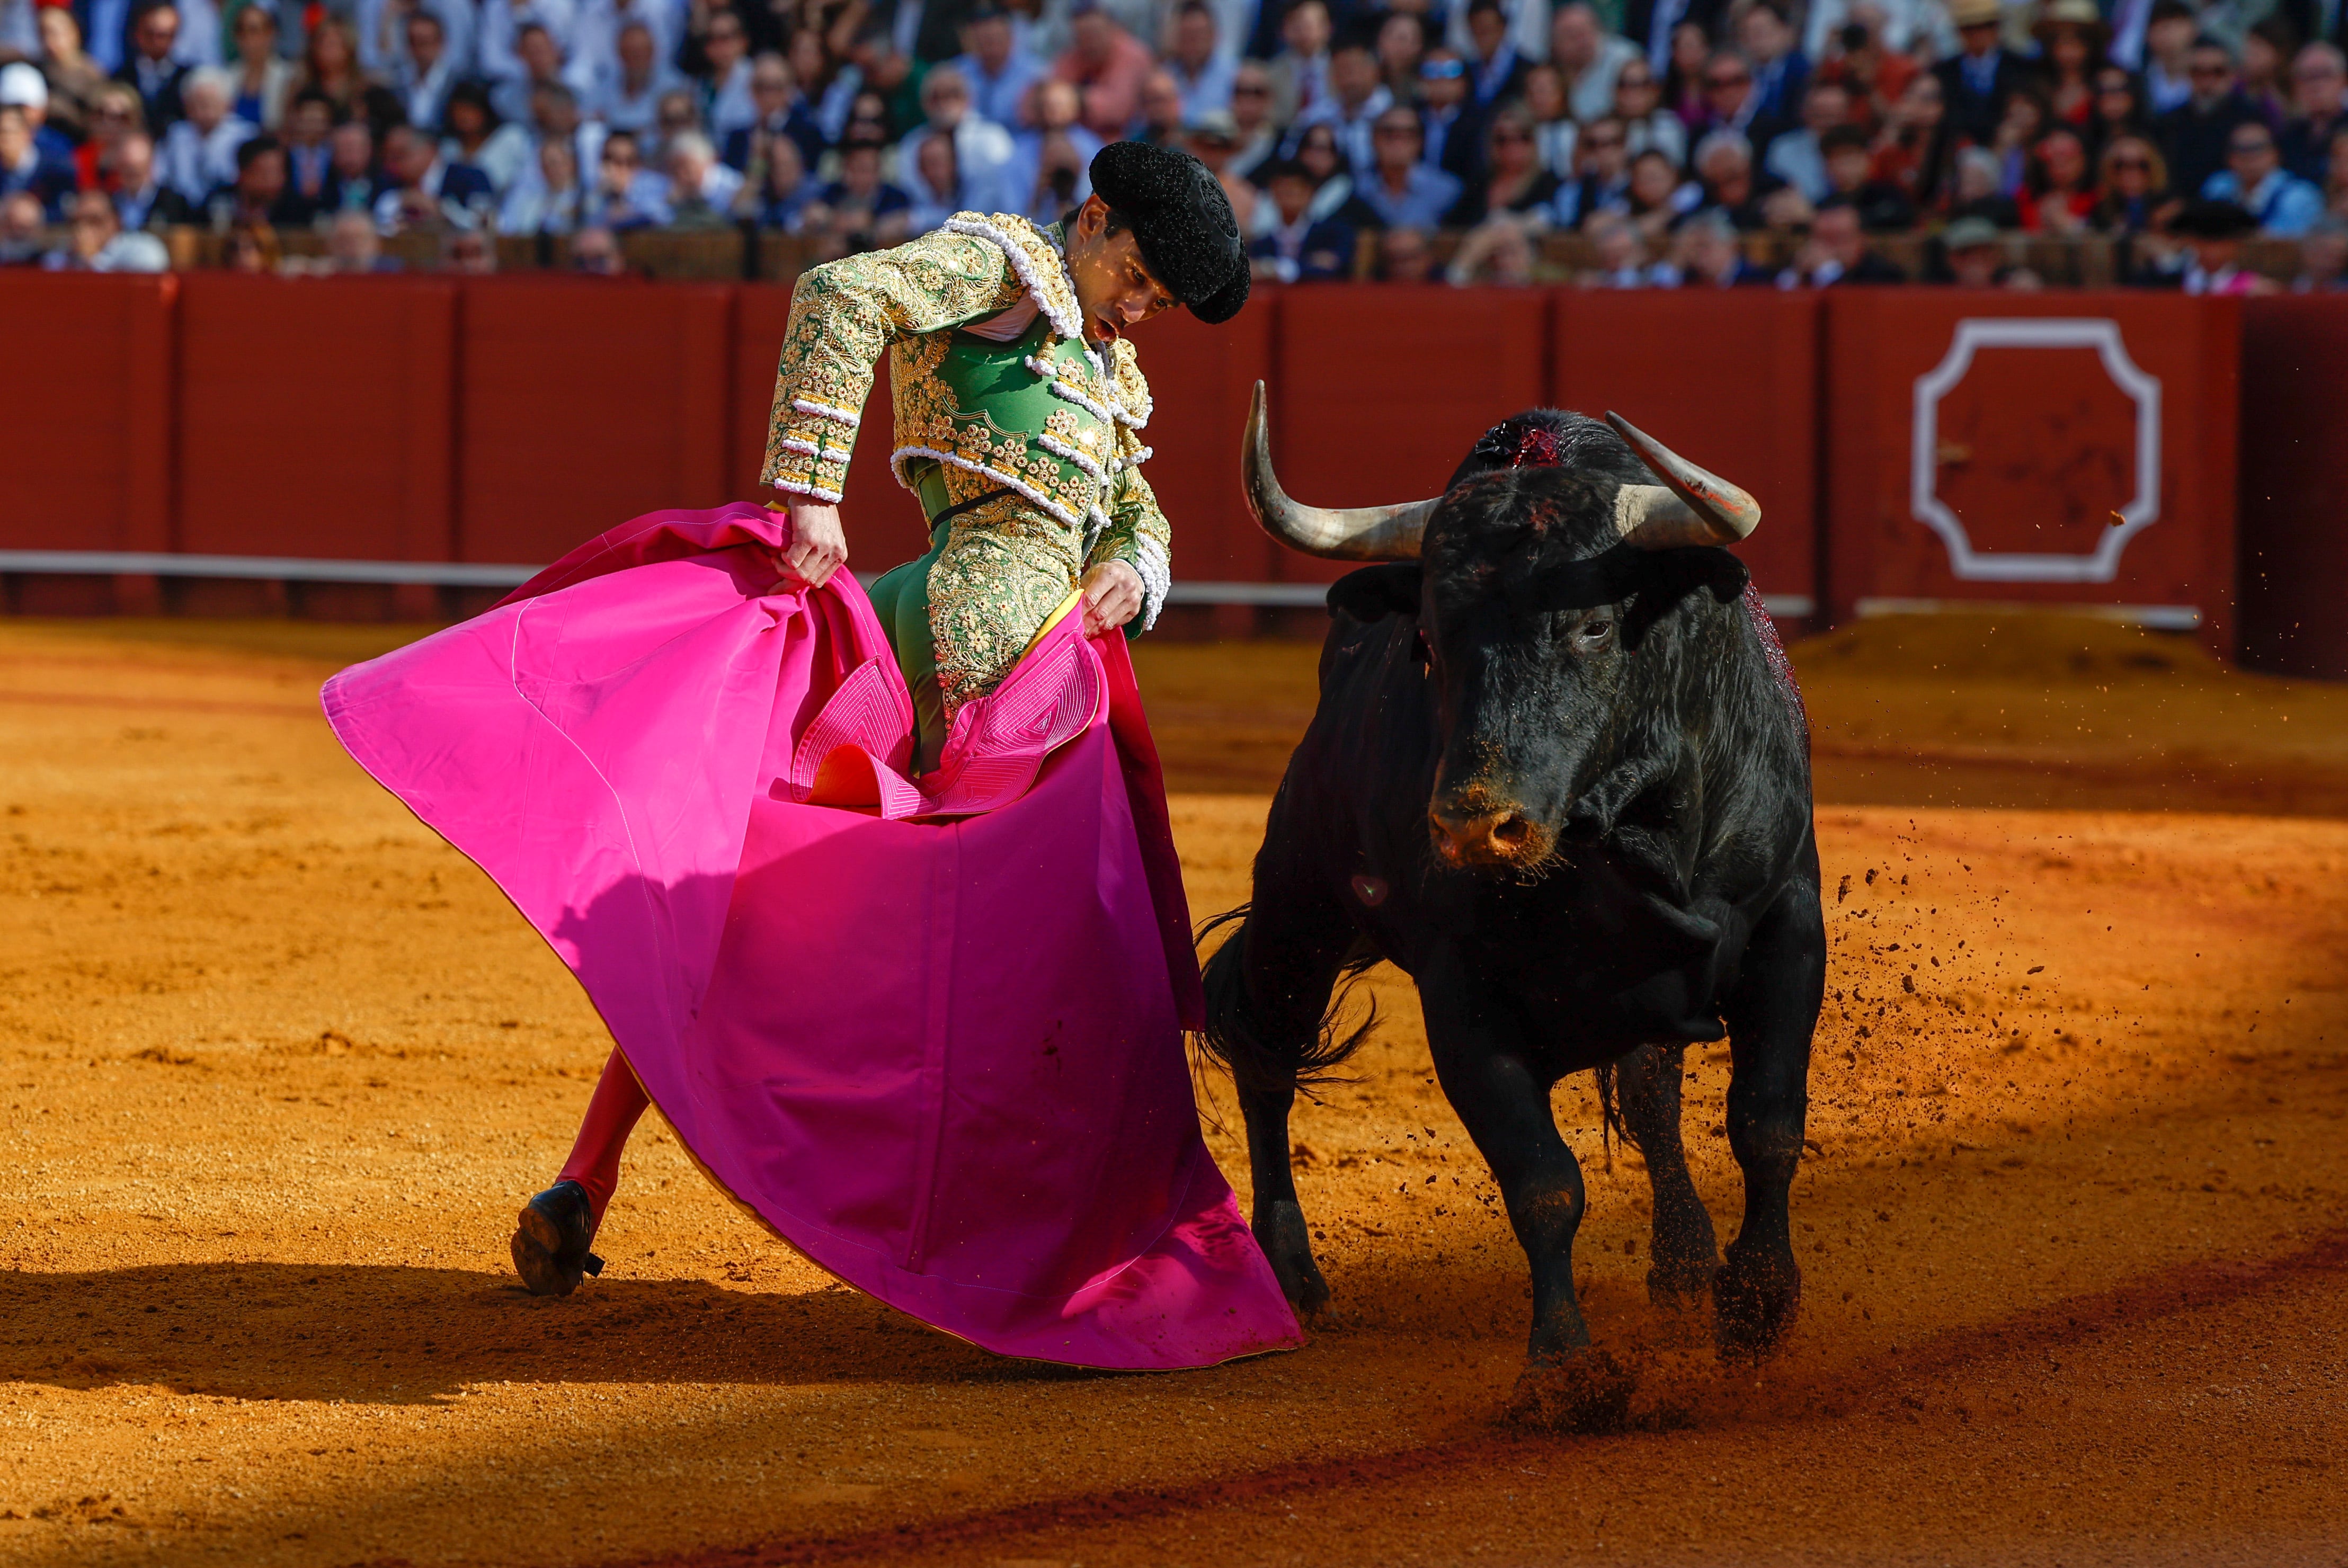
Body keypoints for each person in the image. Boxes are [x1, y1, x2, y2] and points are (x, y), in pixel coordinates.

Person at [320, 141, 1302, 1376]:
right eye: (1140, 278)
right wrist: (811, 491)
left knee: (777, 902)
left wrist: (1135, 564)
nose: (1139, 309)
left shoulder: (1110, 365)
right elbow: (842, 294)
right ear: (1095, 219)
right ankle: (1009, 1246)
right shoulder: (1004, 266)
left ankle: (588, 1177)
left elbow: (1128, 506)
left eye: (1156, 299)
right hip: (951, 643)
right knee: (1043, 947)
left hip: (1043, 664)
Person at [1345, 104, 1461, 229]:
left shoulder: (1447, 192)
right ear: (1373, 139)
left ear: (1421, 142)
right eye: (1389, 133)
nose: (1398, 142)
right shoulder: (1355, 189)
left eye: (1409, 134)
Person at [1933, 0, 2030, 147]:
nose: (1978, 33)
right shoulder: (1944, 71)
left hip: (2008, 147)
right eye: (1970, 27)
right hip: (1955, 150)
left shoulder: (2020, 67)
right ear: (1959, 31)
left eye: (1986, 25)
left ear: (1997, 27)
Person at [2202, 118, 2325, 234]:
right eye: (2241, 150)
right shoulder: (2218, 187)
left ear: (2275, 154)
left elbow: (2296, 244)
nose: (2249, 158)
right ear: (2230, 158)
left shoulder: (2300, 195)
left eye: (2258, 149)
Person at [1249, 154, 1354, 279]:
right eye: (1283, 189)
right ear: (1273, 193)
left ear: (1310, 193)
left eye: (1295, 190)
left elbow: (1333, 268)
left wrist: (1272, 269)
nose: (1289, 196)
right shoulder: (1261, 243)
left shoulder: (1334, 234)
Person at [1779, 195, 1905, 283]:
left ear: (1861, 239)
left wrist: (1828, 271)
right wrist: (1796, 274)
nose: (1830, 250)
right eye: (1823, 239)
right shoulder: (1800, 270)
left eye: (1839, 239)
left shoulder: (1884, 276)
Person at [44, 184, 168, 268]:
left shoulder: (142, 249)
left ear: (115, 222)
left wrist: (92, 260)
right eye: (76, 222)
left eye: (94, 221)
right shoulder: (62, 255)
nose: (83, 229)